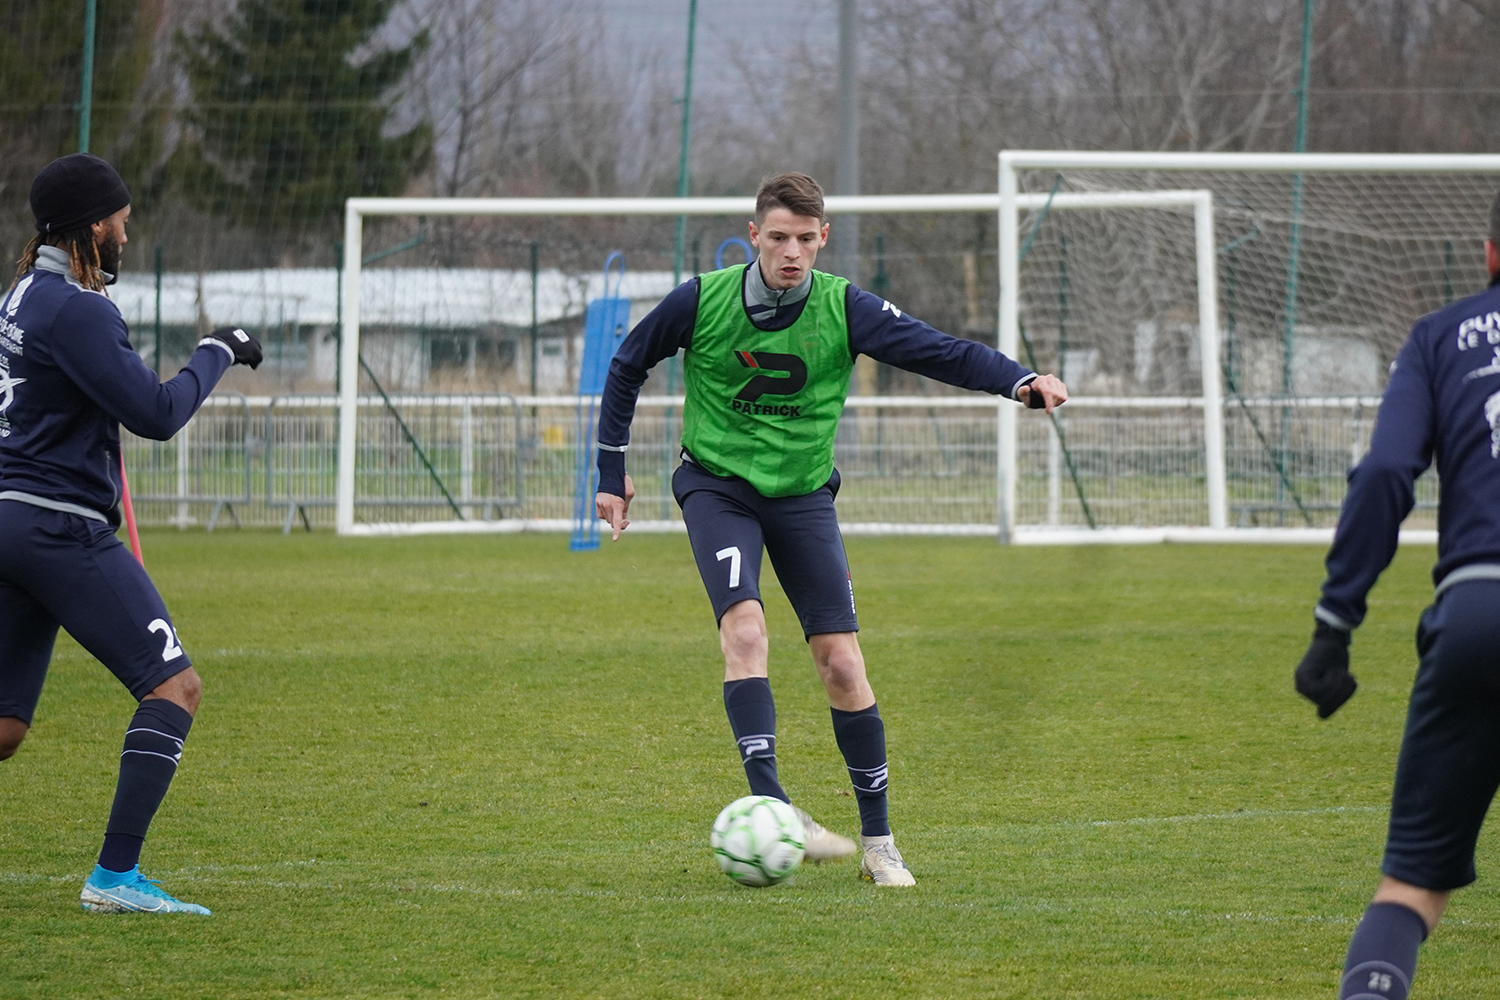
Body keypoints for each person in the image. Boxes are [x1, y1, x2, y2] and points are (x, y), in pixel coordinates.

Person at [595, 172, 1067, 886]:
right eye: (778, 237)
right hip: (716, 487)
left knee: (843, 664)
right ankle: (776, 807)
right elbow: (628, 363)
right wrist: (610, 473)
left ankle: (879, 842)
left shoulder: (844, 307)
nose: (792, 252)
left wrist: (1018, 379)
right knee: (745, 630)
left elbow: (936, 349)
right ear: (753, 236)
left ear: (824, 240)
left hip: (803, 497)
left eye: (805, 240)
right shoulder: (702, 298)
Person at [0, 154, 262, 914]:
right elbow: (155, 412)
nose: (127, 229)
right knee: (174, 687)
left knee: (7, 727)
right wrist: (217, 352)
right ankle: (115, 878)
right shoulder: (76, 310)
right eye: (120, 218)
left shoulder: (21, 296)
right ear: (92, 227)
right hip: (60, 528)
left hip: (13, 520)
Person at [1293, 191, 1500, 997]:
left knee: (1410, 891)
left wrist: (1334, 624)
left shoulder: (1441, 336)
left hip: (1477, 613)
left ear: (1488, 253)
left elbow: (1384, 473)